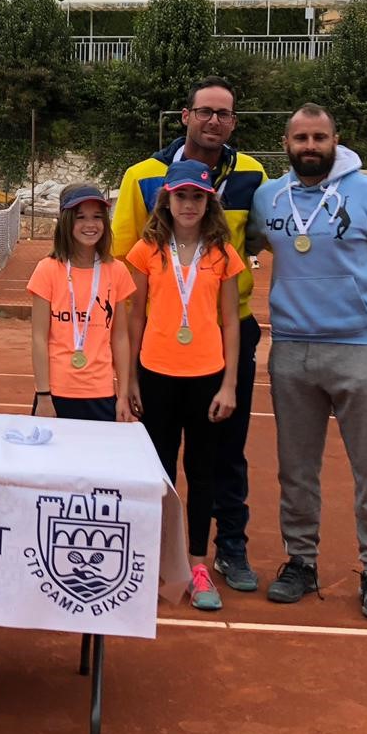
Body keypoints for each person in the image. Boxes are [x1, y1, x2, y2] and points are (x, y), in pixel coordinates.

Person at [253, 104, 367, 622]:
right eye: (300, 138)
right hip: (291, 351)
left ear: (335, 140)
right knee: (296, 469)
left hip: (359, 349)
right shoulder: (267, 198)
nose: (310, 146)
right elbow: (253, 243)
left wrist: (360, 306)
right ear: (286, 142)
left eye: (319, 137)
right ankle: (301, 562)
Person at [111, 77, 267, 593]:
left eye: (224, 113)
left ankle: (227, 551)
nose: (214, 121)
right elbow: (124, 266)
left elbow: (259, 242)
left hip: (224, 344)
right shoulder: (142, 176)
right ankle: (154, 557)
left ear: (234, 121)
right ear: (186, 116)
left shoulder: (253, 174)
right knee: (156, 461)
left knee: (223, 454)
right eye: (205, 111)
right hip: (157, 352)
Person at [125, 159, 245, 612]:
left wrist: (229, 385)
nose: (189, 204)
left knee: (201, 472)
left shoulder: (223, 255)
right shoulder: (146, 251)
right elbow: (135, 320)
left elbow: (230, 322)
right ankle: (157, 559)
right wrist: (130, 379)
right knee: (159, 474)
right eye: (181, 196)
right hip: (156, 375)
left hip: (207, 378)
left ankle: (197, 564)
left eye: (197, 196)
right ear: (167, 201)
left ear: (209, 202)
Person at [28, 184, 136, 422]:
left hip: (101, 393)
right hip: (56, 392)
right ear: (66, 221)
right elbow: (39, 338)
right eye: (81, 217)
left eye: (97, 217)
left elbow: (120, 337)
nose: (90, 224)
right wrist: (43, 395)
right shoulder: (47, 270)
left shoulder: (117, 271)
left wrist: (122, 395)